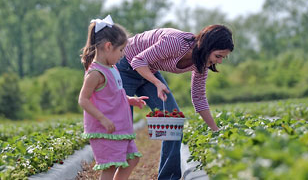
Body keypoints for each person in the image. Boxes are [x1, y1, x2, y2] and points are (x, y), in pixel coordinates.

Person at [115, 25, 234, 179]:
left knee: (173, 120)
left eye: (222, 58)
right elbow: (138, 61)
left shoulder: (201, 65)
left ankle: (168, 178)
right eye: (218, 56)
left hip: (148, 70)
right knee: (123, 128)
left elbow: (198, 98)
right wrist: (157, 83)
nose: (219, 61)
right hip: (125, 65)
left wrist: (215, 129)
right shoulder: (176, 42)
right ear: (207, 47)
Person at [78, 15, 148, 180]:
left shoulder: (112, 68)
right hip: (105, 129)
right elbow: (83, 99)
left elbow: (114, 93)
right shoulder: (96, 73)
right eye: (121, 50)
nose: (122, 55)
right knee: (109, 167)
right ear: (109, 46)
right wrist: (102, 119)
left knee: (133, 159)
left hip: (119, 127)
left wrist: (130, 99)